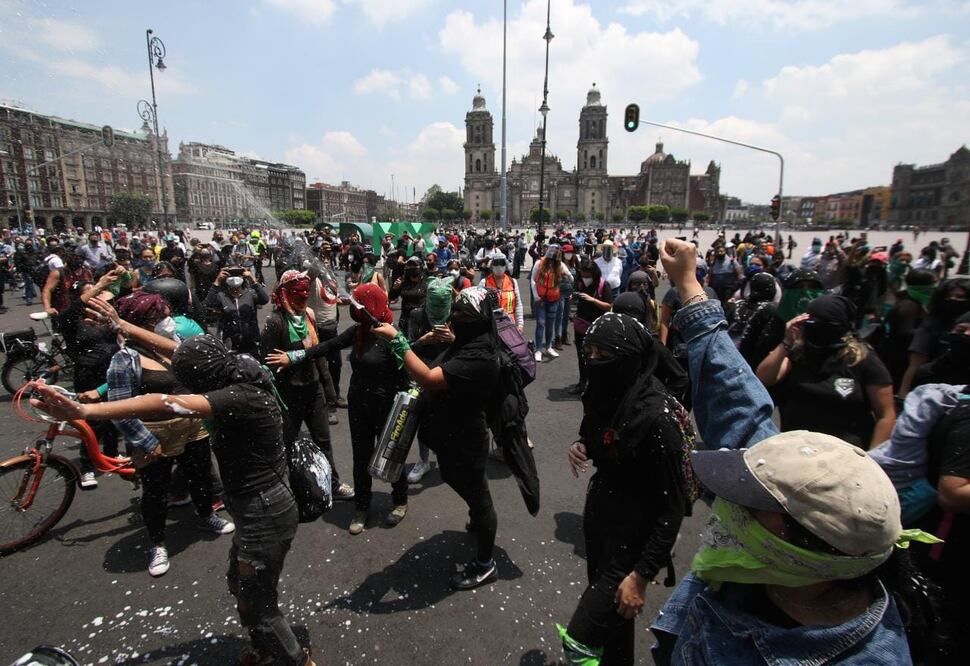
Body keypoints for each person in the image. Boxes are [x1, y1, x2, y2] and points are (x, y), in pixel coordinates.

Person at [647, 238, 933, 666]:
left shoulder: (867, 658)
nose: (733, 504)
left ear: (794, 542)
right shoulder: (795, 492)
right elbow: (739, 405)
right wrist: (689, 283)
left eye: (754, 500)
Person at [32, 335, 316, 666]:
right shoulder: (237, 365)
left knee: (258, 604)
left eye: (188, 382)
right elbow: (182, 353)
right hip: (256, 508)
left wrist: (85, 410)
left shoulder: (239, 398)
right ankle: (266, 647)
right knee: (240, 585)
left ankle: (297, 660)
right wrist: (122, 325)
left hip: (265, 514)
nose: (184, 388)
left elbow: (163, 402)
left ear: (203, 379)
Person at [559, 312, 691, 664]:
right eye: (591, 353)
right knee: (615, 632)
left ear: (630, 357)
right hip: (601, 524)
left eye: (605, 355)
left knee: (579, 640)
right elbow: (598, 434)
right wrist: (583, 445)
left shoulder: (658, 418)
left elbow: (672, 508)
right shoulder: (606, 394)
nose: (594, 362)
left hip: (631, 540)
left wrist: (642, 575)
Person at [88, 292, 233, 576]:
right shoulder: (125, 359)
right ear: (141, 323)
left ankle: (207, 515)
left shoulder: (173, 346)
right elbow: (120, 407)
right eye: (158, 317)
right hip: (153, 435)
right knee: (155, 491)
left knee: (200, 475)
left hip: (191, 426)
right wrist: (144, 441)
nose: (167, 321)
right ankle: (157, 542)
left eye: (166, 314)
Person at [371, 287, 502, 590]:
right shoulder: (470, 340)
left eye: (461, 314)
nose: (454, 319)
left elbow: (430, 378)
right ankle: (477, 518)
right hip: (450, 434)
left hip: (467, 439)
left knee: (480, 499)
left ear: (478, 320)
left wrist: (398, 340)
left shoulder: (481, 355)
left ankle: (485, 564)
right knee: (462, 485)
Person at [268, 284, 410, 534]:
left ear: (372, 306)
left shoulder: (391, 334)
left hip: (386, 406)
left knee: (389, 454)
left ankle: (400, 501)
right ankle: (362, 506)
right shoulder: (358, 331)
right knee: (361, 457)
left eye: (358, 304)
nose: (353, 308)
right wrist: (295, 357)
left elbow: (407, 374)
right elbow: (326, 346)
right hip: (359, 405)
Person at [261, 270, 354, 502]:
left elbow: (318, 354)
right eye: (297, 293)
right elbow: (268, 364)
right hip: (288, 394)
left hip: (314, 390)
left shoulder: (309, 315)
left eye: (305, 292)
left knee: (323, 440)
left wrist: (330, 389)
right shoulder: (275, 322)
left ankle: (331, 483)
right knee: (287, 443)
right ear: (284, 294)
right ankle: (290, 488)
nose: (303, 298)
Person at [757, 295, 896, 450]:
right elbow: (764, 378)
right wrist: (787, 341)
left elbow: (886, 415)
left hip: (845, 454)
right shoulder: (799, 353)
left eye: (823, 324)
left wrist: (872, 458)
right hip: (797, 449)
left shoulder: (863, 360)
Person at [403, 277, 453, 483]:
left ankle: (447, 458)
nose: (440, 309)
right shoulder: (416, 315)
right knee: (422, 419)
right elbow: (406, 347)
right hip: (422, 371)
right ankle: (423, 460)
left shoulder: (456, 316)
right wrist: (423, 340)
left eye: (444, 303)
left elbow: (470, 348)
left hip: (448, 371)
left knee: (448, 419)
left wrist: (453, 339)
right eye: (436, 303)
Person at [899, 278, 970, 398]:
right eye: (949, 296)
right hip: (934, 389)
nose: (953, 300)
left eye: (960, 297)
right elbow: (916, 362)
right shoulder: (932, 325)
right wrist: (904, 393)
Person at [877, 269, 937, 390]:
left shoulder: (915, 302)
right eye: (933, 285)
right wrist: (928, 332)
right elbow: (904, 332)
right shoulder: (908, 306)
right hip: (898, 359)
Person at [569, 259, 613, 395]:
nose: (585, 278)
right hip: (581, 324)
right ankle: (582, 382)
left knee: (598, 355)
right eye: (583, 275)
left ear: (594, 274)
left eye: (587, 276)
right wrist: (573, 298)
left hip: (597, 326)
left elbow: (609, 305)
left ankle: (596, 383)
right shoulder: (580, 284)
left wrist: (592, 300)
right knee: (582, 355)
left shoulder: (603, 285)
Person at [205, 268, 268, 357]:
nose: (234, 278)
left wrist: (253, 280)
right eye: (231, 274)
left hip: (251, 342)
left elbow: (265, 299)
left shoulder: (250, 293)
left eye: (237, 274)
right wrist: (217, 282)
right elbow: (208, 304)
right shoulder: (222, 296)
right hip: (230, 343)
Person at [532, 244, 570, 362]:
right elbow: (533, 280)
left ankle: (548, 347)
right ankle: (538, 349)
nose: (553, 254)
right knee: (541, 323)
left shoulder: (561, 265)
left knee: (550, 324)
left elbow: (571, 279)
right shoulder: (539, 263)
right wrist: (536, 296)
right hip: (541, 300)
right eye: (551, 250)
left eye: (556, 251)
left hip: (554, 299)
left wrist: (566, 275)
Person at [480, 255, 523, 330]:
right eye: (496, 264)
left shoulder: (513, 282)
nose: (499, 266)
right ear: (492, 266)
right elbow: (479, 305)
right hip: (491, 326)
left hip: (509, 324)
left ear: (505, 265)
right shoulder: (484, 283)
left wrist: (520, 324)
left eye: (502, 264)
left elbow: (518, 304)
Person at [388, 256, 427, 334]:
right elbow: (391, 297)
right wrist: (395, 288)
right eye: (409, 265)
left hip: (421, 319)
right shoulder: (402, 280)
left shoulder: (426, 281)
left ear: (420, 267)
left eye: (414, 265)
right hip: (405, 319)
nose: (411, 267)